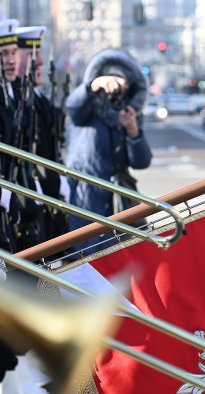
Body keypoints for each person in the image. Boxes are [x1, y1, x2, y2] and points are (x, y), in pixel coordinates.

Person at [64, 48, 152, 253]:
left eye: (121, 83)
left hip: (117, 199)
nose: (114, 90)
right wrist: (94, 85)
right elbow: (72, 108)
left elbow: (142, 161)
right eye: (111, 82)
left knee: (119, 259)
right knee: (85, 257)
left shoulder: (130, 111)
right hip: (85, 195)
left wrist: (133, 131)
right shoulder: (88, 106)